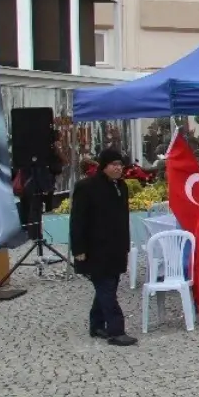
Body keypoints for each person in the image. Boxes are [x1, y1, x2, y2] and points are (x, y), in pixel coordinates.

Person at [70, 148, 136, 346]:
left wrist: (125, 244)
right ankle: (116, 330)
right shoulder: (86, 187)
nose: (118, 168)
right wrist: (78, 249)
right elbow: (78, 220)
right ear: (104, 166)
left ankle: (96, 324)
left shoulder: (121, 186)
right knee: (106, 288)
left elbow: (123, 218)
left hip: (115, 248)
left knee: (109, 286)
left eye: (120, 165)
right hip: (95, 249)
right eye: (113, 165)